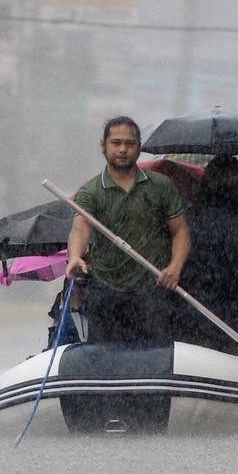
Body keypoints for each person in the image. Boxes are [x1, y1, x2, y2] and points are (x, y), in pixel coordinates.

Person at [66, 116, 191, 343]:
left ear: (139, 147)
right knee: (105, 362)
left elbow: (180, 231)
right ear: (102, 145)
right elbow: (80, 229)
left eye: (129, 143)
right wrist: (74, 257)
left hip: (152, 292)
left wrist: (175, 267)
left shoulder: (161, 186)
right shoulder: (91, 192)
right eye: (116, 143)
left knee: (154, 360)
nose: (122, 149)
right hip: (106, 291)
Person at [176, 154, 238, 356]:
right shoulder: (229, 224)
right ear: (227, 186)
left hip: (188, 313)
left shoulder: (188, 215)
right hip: (223, 318)